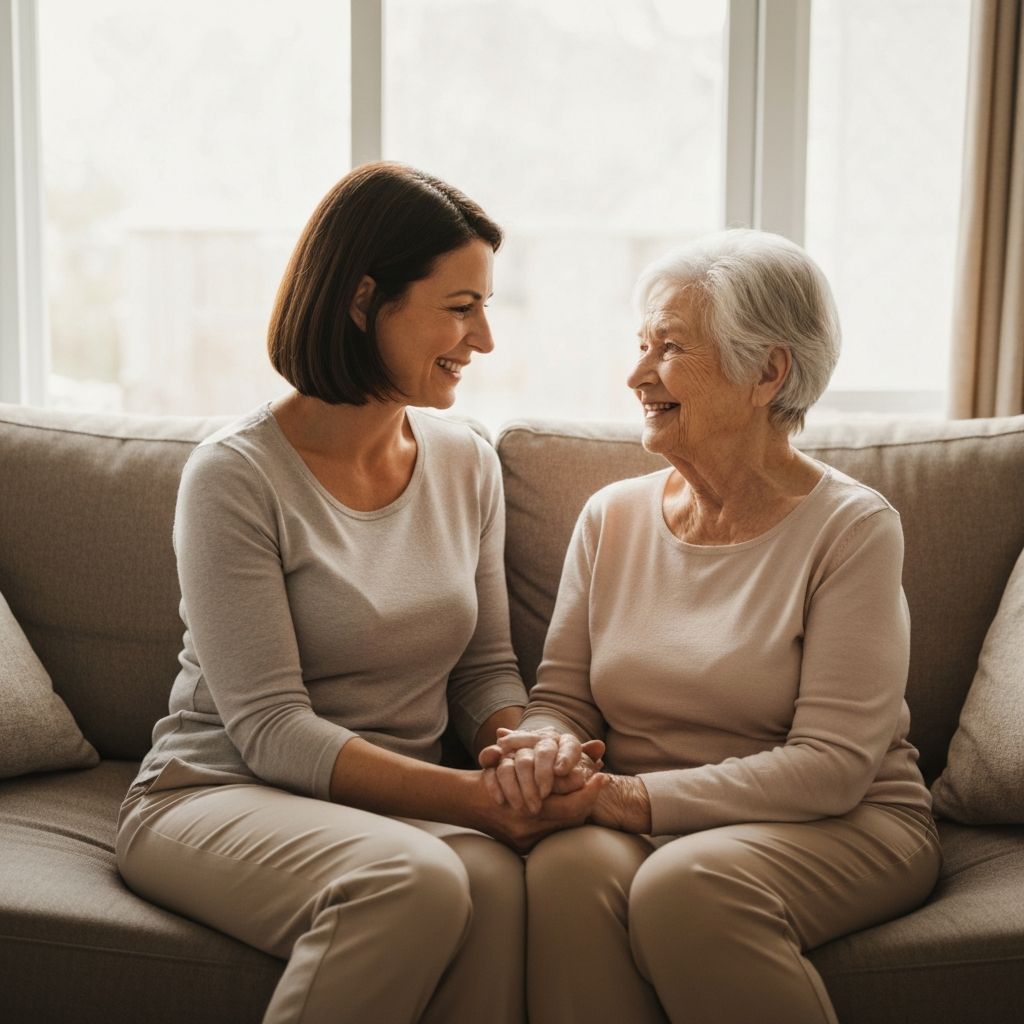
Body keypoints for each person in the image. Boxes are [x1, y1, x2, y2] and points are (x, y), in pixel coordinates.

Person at [115, 162, 602, 1024]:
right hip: (217, 792)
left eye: (486, 306)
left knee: (496, 883)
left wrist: (522, 753)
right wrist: (471, 799)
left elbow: (483, 670)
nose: (484, 339)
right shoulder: (234, 477)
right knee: (410, 880)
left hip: (387, 806)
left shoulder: (466, 462)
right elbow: (270, 730)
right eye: (460, 307)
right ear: (363, 298)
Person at [481, 229, 942, 1024]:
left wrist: (624, 798)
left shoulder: (852, 529)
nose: (636, 375)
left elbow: (831, 767)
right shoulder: (611, 517)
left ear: (768, 371)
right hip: (651, 814)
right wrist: (549, 742)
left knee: (686, 886)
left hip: (840, 820)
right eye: (640, 344)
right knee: (562, 869)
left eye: (669, 348)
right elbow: (561, 695)